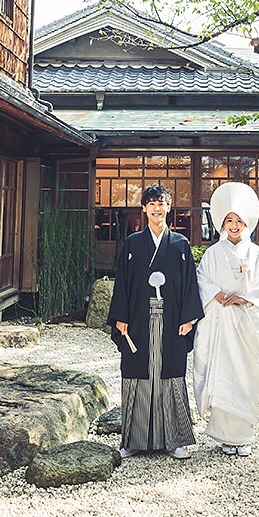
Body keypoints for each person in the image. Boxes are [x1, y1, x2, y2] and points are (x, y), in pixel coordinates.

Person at [107, 183, 204, 459]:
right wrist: (121, 317)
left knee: (171, 373)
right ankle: (133, 440)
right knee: (136, 372)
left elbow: (189, 283)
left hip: (172, 319)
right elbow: (122, 283)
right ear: (144, 208)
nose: (157, 208)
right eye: (151, 204)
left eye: (161, 203)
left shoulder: (180, 244)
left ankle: (174, 440)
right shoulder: (133, 243)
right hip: (138, 318)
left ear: (169, 207)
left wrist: (189, 317)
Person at [192, 182, 259, 457]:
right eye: (229, 220)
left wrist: (243, 298)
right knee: (223, 373)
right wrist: (216, 294)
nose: (234, 225)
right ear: (222, 223)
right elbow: (201, 279)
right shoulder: (213, 253)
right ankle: (225, 436)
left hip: (246, 324)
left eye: (239, 220)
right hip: (221, 322)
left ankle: (244, 436)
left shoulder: (256, 253)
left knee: (245, 375)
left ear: (246, 223)